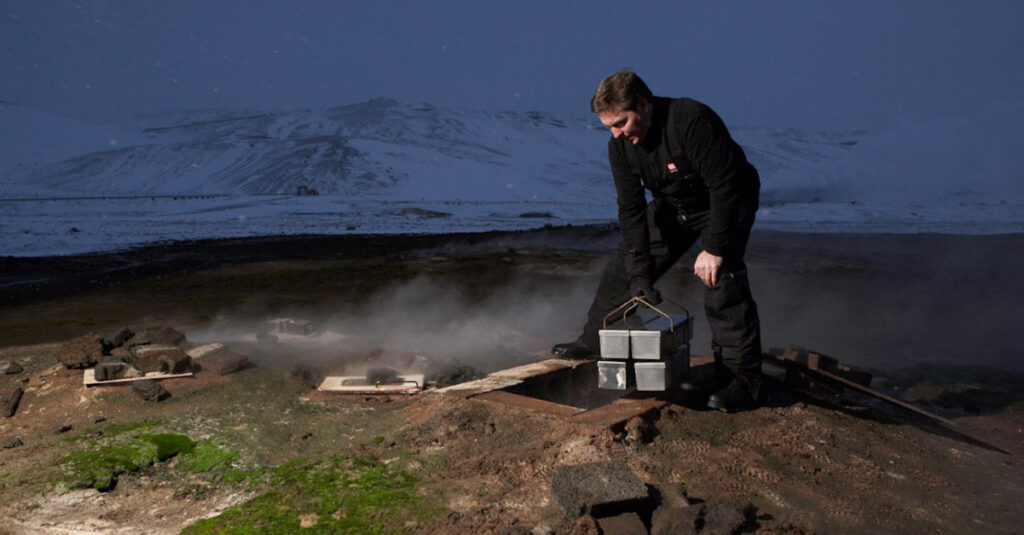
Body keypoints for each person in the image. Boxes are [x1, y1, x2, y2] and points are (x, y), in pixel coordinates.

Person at [552, 69, 764, 412]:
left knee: (720, 280)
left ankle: (742, 381)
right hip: (675, 205)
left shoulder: (691, 120)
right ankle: (593, 340)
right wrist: (639, 275)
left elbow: (725, 186)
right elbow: (631, 210)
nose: (617, 134)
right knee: (624, 266)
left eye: (621, 123)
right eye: (609, 127)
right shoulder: (620, 148)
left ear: (644, 104)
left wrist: (714, 248)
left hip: (728, 199)